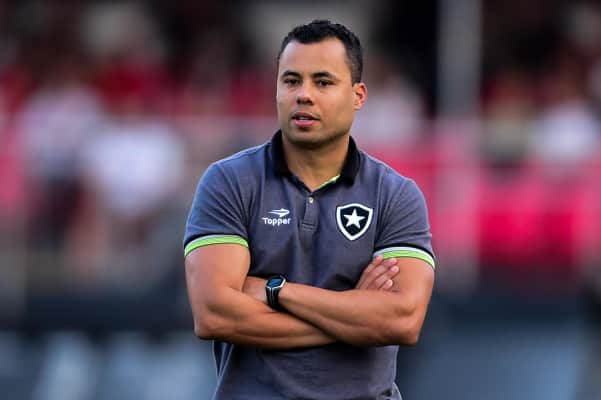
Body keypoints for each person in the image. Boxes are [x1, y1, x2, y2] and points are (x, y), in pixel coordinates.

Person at [183, 19, 435, 400]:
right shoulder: (228, 182)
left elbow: (402, 320)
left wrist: (276, 290)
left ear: (358, 95)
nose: (304, 95)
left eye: (323, 82)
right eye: (291, 81)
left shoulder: (396, 195)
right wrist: (353, 317)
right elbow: (214, 314)